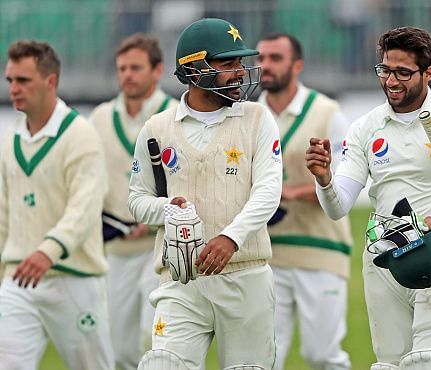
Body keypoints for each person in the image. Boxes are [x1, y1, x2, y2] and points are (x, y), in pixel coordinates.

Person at [306, 27, 431, 369]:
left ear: (428, 72)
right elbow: (338, 207)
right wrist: (324, 179)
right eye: (385, 70)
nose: (391, 81)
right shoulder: (365, 127)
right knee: (390, 364)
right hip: (386, 258)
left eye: (403, 72)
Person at [128, 18, 282, 370]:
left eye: (240, 63)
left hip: (247, 276)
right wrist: (168, 209)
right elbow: (137, 199)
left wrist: (231, 238)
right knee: (163, 364)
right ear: (195, 68)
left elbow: (269, 190)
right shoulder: (157, 128)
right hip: (181, 278)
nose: (240, 72)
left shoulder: (258, 118)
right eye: (228, 64)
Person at [0, 40, 114, 369]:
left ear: (51, 81)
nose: (14, 89)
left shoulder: (80, 135)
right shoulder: (11, 139)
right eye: (10, 80)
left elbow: (86, 206)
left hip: (74, 277)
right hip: (19, 279)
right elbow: (5, 214)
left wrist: (48, 250)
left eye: (23, 80)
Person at [256, 33, 353, 370]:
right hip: (265, 256)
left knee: (322, 355)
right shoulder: (249, 116)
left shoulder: (327, 113)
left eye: (275, 58)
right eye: (261, 57)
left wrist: (288, 193)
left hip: (320, 251)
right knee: (264, 357)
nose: (265, 65)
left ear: (297, 65)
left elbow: (343, 186)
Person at [89, 33, 178, 369]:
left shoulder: (174, 114)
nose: (127, 75)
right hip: (118, 247)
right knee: (120, 347)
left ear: (157, 71)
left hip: (162, 245)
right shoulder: (99, 118)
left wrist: (155, 212)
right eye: (122, 68)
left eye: (136, 68)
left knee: (155, 336)